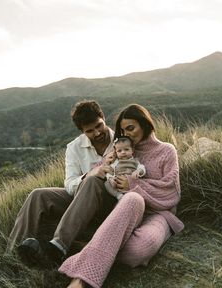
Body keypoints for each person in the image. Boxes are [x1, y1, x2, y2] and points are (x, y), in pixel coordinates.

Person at [58, 103, 184, 288]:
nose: (127, 134)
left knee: (137, 251)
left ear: (144, 124)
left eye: (131, 128)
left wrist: (134, 184)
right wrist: (103, 164)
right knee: (133, 199)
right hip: (126, 211)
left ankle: (91, 247)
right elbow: (99, 173)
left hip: (158, 214)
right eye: (123, 130)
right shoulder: (122, 149)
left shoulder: (167, 150)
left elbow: (170, 192)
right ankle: (81, 280)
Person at [7, 100, 116, 266]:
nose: (97, 133)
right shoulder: (74, 147)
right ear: (82, 131)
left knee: (94, 182)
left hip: (110, 202)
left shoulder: (121, 142)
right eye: (90, 131)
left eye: (99, 126)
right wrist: (89, 174)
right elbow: (70, 184)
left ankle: (58, 246)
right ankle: (14, 254)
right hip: (82, 201)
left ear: (103, 117)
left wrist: (96, 178)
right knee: (38, 195)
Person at [104, 136, 146, 200]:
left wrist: (138, 171)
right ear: (116, 152)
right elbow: (110, 171)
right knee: (106, 184)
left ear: (132, 150)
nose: (123, 152)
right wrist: (110, 178)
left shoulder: (135, 161)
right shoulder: (115, 163)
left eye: (126, 149)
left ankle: (130, 197)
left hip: (130, 185)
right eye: (119, 151)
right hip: (117, 184)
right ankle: (118, 195)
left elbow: (142, 168)